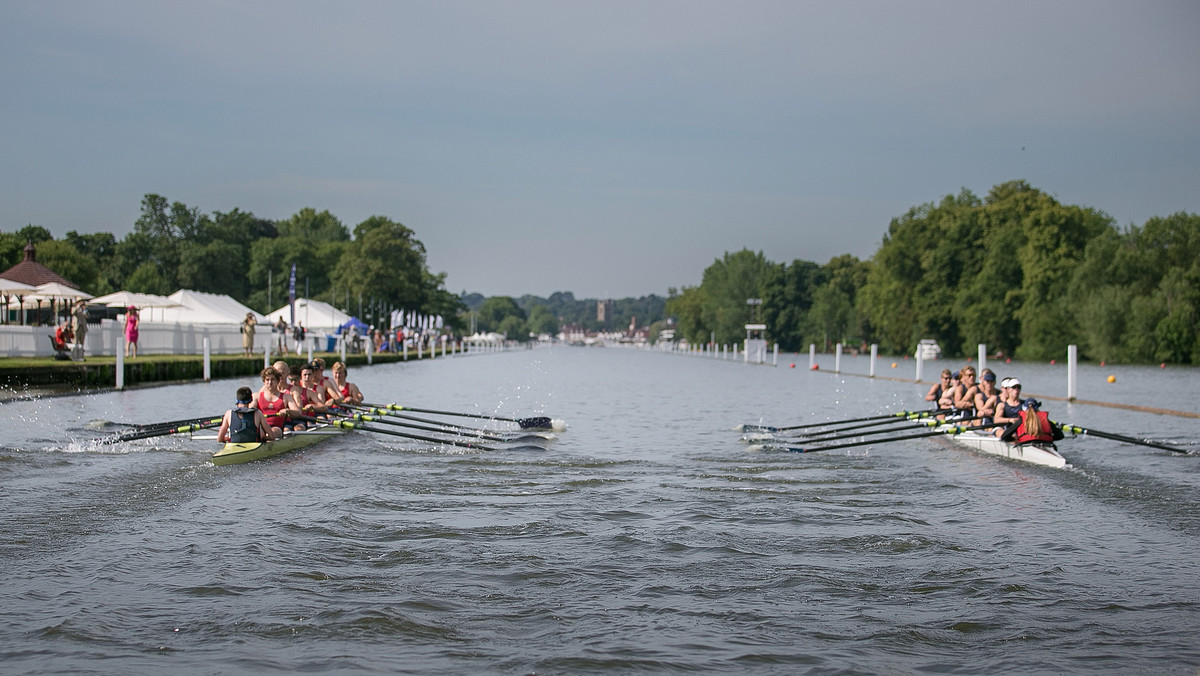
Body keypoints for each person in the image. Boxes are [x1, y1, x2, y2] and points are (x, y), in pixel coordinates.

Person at [249, 367, 294, 440]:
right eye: (267, 380)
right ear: (264, 381)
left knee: (274, 431)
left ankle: (262, 438)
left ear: (278, 381)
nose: (270, 382)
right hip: (261, 427)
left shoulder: (286, 397)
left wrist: (288, 411)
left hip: (277, 428)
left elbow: (298, 412)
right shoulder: (256, 396)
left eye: (272, 379)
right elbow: (249, 411)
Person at [1000, 398, 1064, 444]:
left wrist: (1015, 439)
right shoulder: (1045, 419)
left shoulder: (1021, 420)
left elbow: (1004, 436)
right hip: (1046, 443)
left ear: (1024, 409)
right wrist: (1049, 438)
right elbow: (1060, 436)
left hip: (1026, 444)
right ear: (1037, 408)